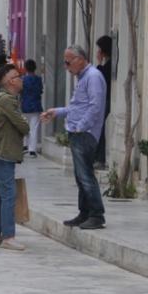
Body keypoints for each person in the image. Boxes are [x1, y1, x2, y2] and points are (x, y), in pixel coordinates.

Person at [41, 45, 107, 230]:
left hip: (85, 134)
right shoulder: (84, 78)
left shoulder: (93, 77)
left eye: (68, 62)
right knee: (80, 176)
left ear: (80, 59)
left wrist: (80, 127)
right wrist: (57, 112)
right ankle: (84, 213)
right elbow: (77, 107)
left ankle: (96, 214)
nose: (66, 66)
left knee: (85, 175)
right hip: (79, 132)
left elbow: (95, 106)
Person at [0, 64, 30, 251]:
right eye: (18, 76)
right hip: (4, 152)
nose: (21, 79)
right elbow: (24, 126)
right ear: (10, 82)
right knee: (9, 194)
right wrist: (25, 121)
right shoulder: (7, 100)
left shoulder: (0, 98)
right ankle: (8, 236)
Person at [95, 35, 113, 169]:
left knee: (99, 128)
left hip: (106, 100)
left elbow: (100, 78)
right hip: (104, 100)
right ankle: (98, 157)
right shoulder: (108, 64)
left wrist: (99, 63)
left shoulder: (108, 65)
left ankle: (100, 158)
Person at [21, 59, 44, 158]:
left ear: (25, 68)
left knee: (24, 126)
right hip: (36, 106)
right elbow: (40, 91)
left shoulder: (23, 79)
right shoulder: (38, 79)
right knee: (34, 128)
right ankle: (32, 150)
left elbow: (20, 91)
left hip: (25, 106)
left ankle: (24, 145)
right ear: (35, 68)